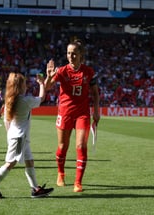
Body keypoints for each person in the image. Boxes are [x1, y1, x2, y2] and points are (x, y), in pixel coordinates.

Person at [0, 72, 53, 199]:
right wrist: (41, 83)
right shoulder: (25, 101)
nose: (26, 86)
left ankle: (35, 189)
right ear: (20, 86)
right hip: (20, 137)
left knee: (29, 161)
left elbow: (6, 121)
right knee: (10, 163)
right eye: (24, 84)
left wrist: (10, 135)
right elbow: (41, 98)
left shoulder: (9, 100)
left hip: (17, 136)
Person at [44, 39, 100, 192]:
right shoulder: (62, 71)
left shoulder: (89, 72)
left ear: (81, 54)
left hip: (82, 113)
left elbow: (95, 93)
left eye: (74, 53)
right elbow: (47, 87)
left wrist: (96, 110)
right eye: (68, 53)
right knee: (63, 146)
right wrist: (49, 76)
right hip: (65, 112)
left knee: (81, 146)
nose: (70, 56)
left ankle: (78, 182)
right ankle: (61, 173)